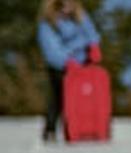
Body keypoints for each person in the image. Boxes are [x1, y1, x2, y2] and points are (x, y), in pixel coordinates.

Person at [36, 0, 101, 143]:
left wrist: (93, 45)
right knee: (59, 98)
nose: (67, 7)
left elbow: (90, 31)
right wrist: (66, 61)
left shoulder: (79, 16)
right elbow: (51, 48)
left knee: (85, 98)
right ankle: (51, 129)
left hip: (82, 63)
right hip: (60, 66)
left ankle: (85, 128)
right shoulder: (47, 24)